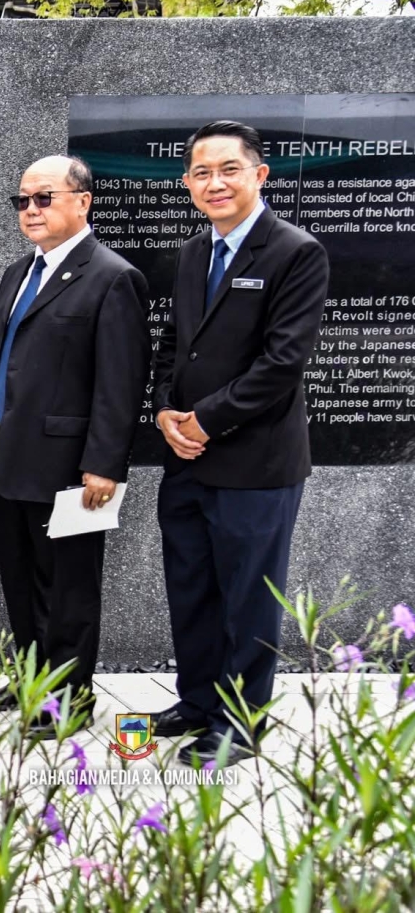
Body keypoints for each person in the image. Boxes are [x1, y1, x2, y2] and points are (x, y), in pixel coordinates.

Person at [151, 120, 329, 766]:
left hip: (256, 464)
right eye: (201, 172)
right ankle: (199, 701)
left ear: (260, 174)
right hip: (186, 460)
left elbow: (281, 364)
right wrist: (164, 411)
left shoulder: (296, 252)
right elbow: (176, 344)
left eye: (228, 169)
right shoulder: (195, 252)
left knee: (249, 597)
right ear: (187, 183)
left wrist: (204, 421)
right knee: (192, 588)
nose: (215, 182)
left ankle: (241, 722)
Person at [0, 155, 149, 738]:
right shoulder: (19, 271)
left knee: (67, 589)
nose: (30, 210)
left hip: (71, 469)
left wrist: (105, 465)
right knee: (21, 583)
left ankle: (69, 699)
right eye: (22, 200)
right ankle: (33, 681)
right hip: (10, 457)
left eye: (43, 198)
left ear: (83, 201)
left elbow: (121, 383)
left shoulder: (112, 277)